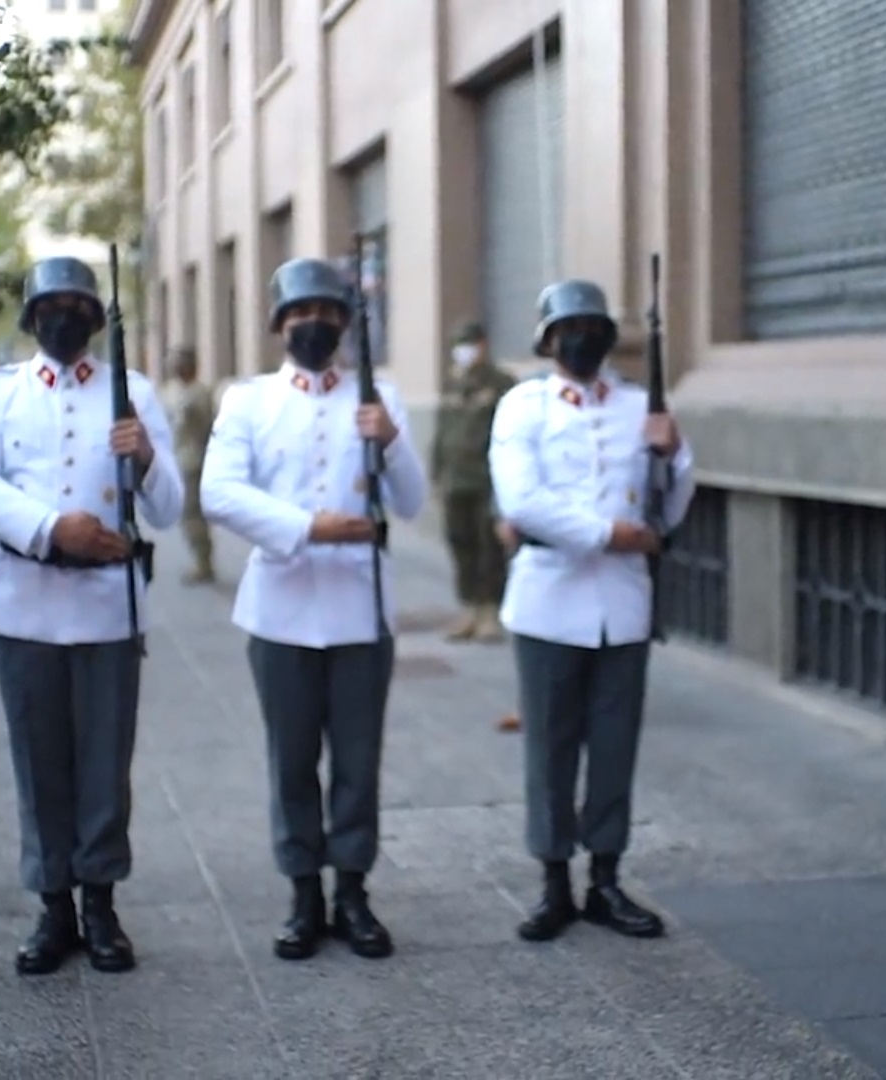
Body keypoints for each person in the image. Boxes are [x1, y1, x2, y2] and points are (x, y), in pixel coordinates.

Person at [0, 256, 183, 976]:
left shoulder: (131, 390)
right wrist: (53, 529)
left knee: (106, 766)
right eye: (51, 305)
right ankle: (53, 904)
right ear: (30, 317)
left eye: (79, 304)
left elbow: (169, 507)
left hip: (109, 606)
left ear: (96, 317)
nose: (65, 315)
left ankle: (101, 905)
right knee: (39, 762)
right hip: (26, 601)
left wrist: (144, 455)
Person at [200, 256, 427, 961]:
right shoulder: (249, 401)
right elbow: (219, 492)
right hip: (282, 610)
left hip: (361, 609)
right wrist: (307, 527)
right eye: (301, 316)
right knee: (292, 759)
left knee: (358, 762)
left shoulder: (379, 395)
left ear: (346, 326)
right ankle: (303, 893)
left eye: (328, 315)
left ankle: (353, 893)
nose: (314, 326)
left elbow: (413, 502)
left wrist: (389, 441)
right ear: (279, 326)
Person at [490, 278, 695, 944]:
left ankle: (605, 879)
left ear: (608, 337)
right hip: (549, 601)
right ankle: (554, 881)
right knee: (550, 749)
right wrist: (610, 535)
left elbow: (671, 503)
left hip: (624, 606)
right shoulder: (524, 406)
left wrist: (675, 454)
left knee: (613, 748)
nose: (579, 339)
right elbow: (521, 499)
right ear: (547, 341)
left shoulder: (642, 405)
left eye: (591, 328)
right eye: (566, 329)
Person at [430, 321, 518, 645]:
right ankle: (468, 607)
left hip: (487, 479)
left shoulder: (500, 384)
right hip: (456, 479)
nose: (464, 351)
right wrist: (436, 474)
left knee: (488, 548)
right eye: (459, 344)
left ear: (483, 345)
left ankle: (489, 611)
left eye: (469, 344)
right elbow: (442, 433)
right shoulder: (453, 384)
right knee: (460, 543)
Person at [161, 344, 217, 584]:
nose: (173, 366)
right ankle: (201, 560)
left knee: (192, 514)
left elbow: (207, 428)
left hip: (194, 460)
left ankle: (203, 563)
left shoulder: (198, 393)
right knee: (188, 514)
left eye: (178, 361)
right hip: (176, 459)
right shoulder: (171, 391)